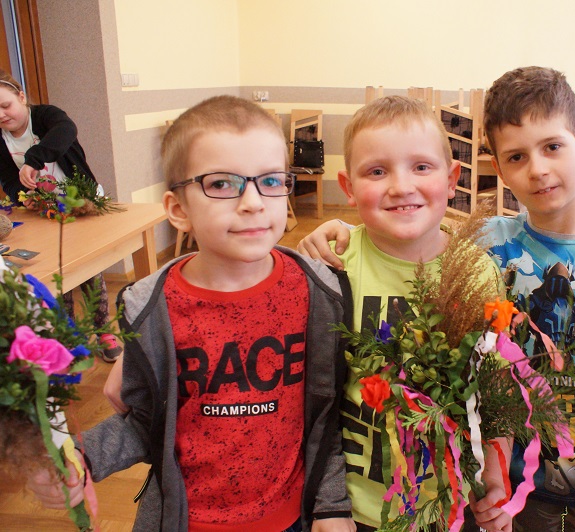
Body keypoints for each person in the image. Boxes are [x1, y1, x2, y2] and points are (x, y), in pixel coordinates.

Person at [300, 68, 575, 531]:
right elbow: (415, 234)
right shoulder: (486, 246)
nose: (538, 169)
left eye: (552, 147)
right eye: (516, 156)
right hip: (527, 490)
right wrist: (345, 230)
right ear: (499, 168)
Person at [25, 95, 355, 532]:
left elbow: (326, 415)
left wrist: (332, 505)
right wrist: (81, 457)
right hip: (187, 520)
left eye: (272, 180)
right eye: (221, 184)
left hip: (292, 517)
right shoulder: (154, 309)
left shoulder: (317, 292)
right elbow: (148, 421)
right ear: (179, 210)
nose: (253, 202)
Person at [300, 95, 510, 532]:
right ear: (348, 187)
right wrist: (327, 504)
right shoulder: (332, 265)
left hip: (452, 502)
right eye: (377, 171)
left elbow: (497, 388)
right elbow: (310, 398)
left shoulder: (477, 272)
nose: (400, 186)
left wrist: (495, 476)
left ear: (451, 179)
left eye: (421, 167)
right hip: (358, 506)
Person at [0, 69, 121, 362]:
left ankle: (102, 330)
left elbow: (66, 131)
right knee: (57, 270)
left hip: (81, 204)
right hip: (45, 210)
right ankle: (68, 334)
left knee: (89, 268)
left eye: (6, 106)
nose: (2, 115)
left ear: (21, 97)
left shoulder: (46, 116)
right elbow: (8, 179)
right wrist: (23, 196)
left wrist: (33, 159)